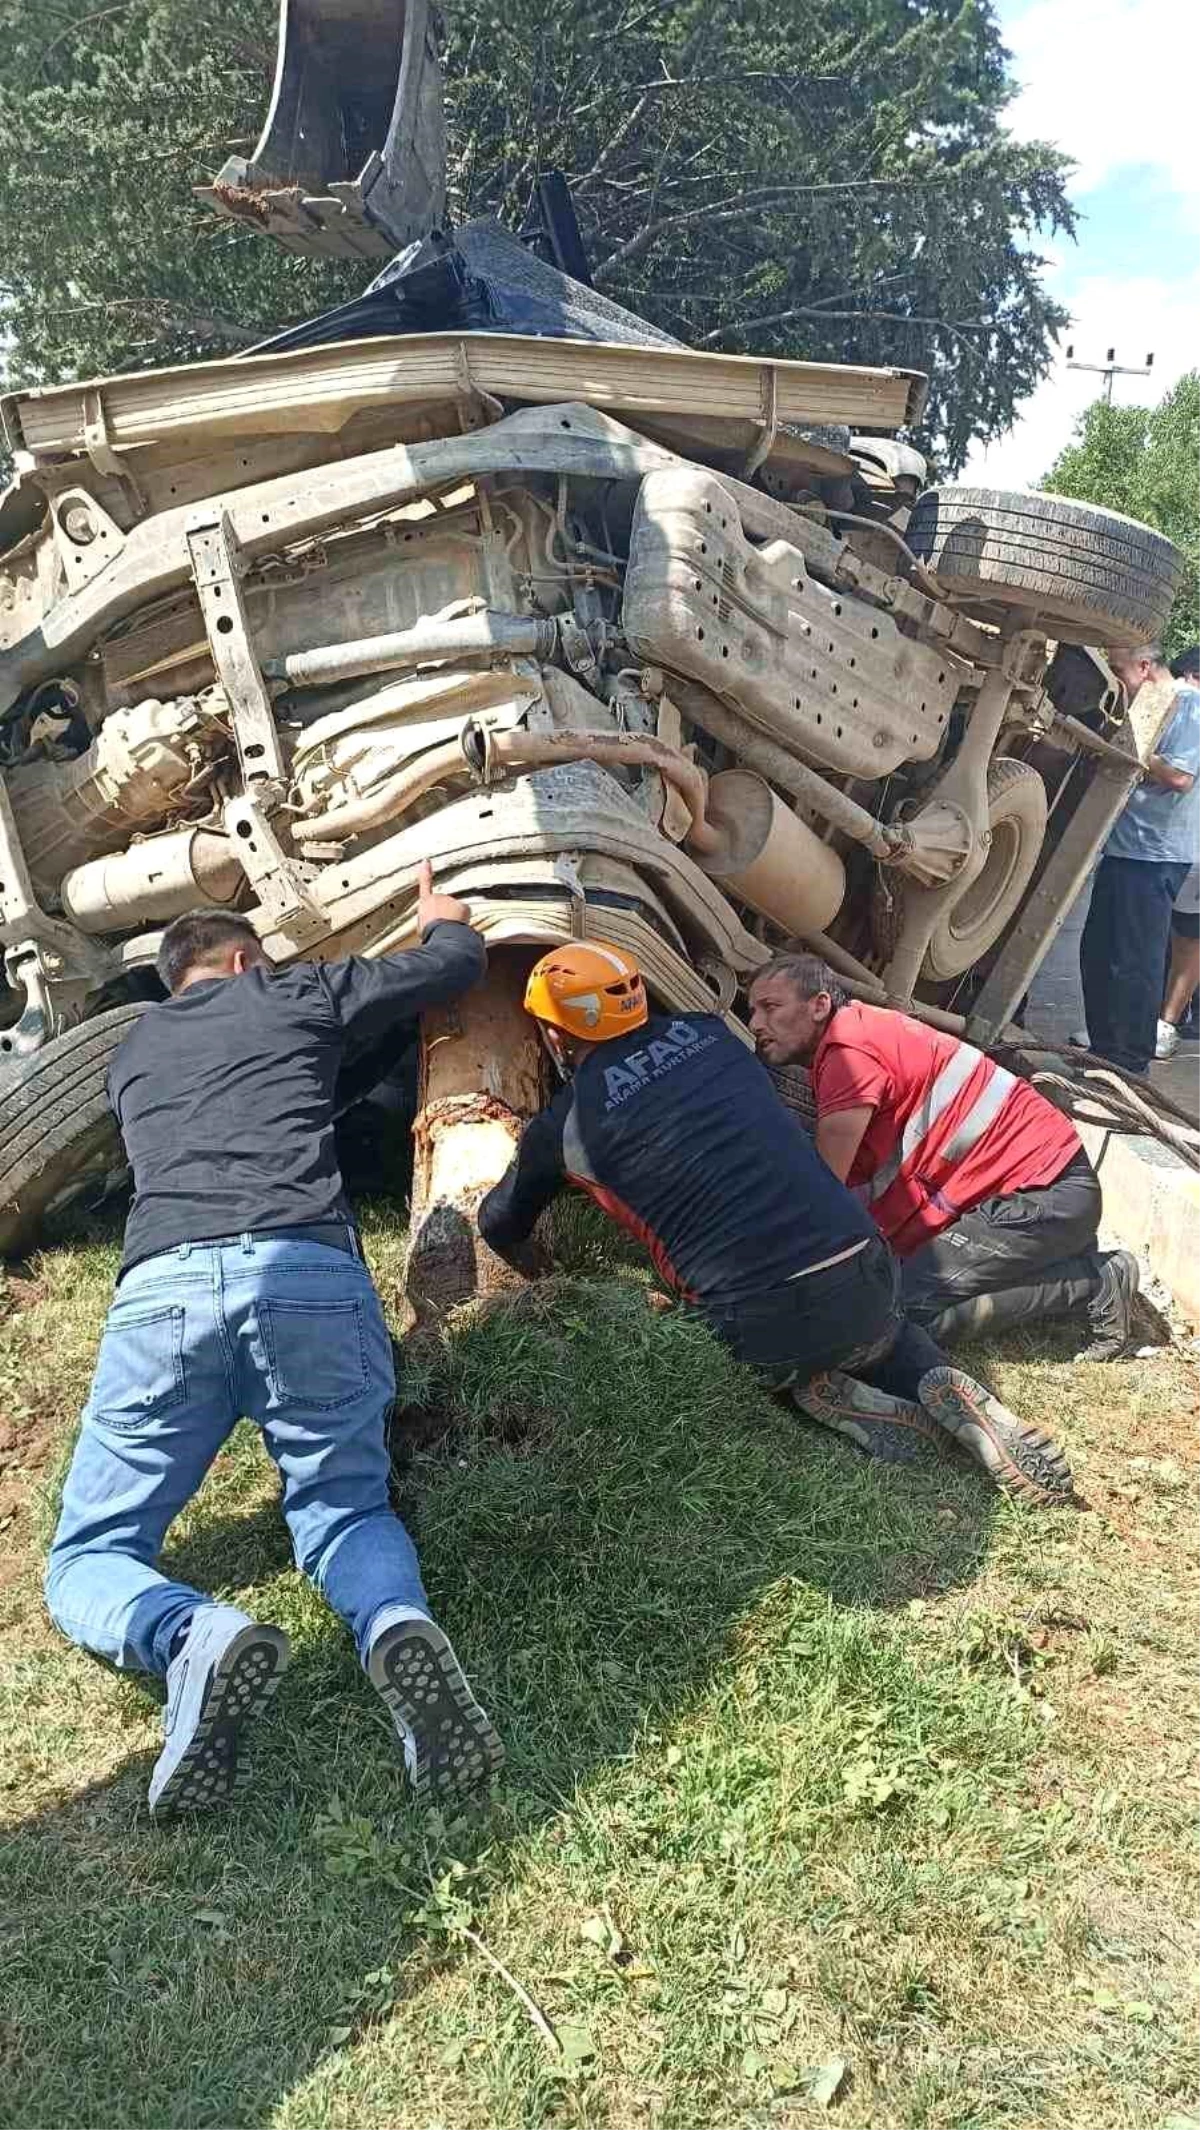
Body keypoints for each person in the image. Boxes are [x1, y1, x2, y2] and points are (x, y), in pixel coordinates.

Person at [45, 864, 503, 1819]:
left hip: (164, 1289)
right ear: (245, 958)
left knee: (89, 1553)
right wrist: (441, 919)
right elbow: (450, 969)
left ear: (176, 979)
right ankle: (393, 1622)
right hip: (305, 1274)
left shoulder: (128, 1057)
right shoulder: (294, 991)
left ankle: (187, 1634)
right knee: (342, 1505)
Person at [477, 943, 1072, 1505]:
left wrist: (541, 1248)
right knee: (878, 1329)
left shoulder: (564, 1129)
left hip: (758, 1316)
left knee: (740, 1334)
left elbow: (499, 1223)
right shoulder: (715, 1038)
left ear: (555, 1033)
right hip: (867, 1264)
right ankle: (939, 1383)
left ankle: (819, 1391)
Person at [748, 954, 1137, 1361]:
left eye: (771, 1007)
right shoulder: (860, 1031)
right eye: (753, 1010)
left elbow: (821, 1198)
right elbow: (856, 1184)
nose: (757, 1023)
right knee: (889, 1283)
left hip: (1044, 1194)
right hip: (1042, 1189)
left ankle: (1096, 1281)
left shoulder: (848, 1053)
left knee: (896, 1316)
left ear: (820, 1005)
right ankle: (1052, 1259)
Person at [1080, 644, 1200, 1074]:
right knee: (1099, 951)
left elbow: (1181, 776)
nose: (1116, 679)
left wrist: (1126, 750)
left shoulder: (1188, 707)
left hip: (1155, 857)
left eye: (1119, 670)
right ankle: (1103, 1049)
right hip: (1125, 850)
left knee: (1135, 961)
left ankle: (1128, 1062)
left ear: (1146, 666)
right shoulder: (1150, 703)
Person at [1155, 646, 1200, 1058]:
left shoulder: (1190, 707)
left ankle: (1166, 1023)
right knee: (1173, 936)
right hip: (1177, 845)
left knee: (1187, 939)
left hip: (1187, 847)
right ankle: (1156, 1020)